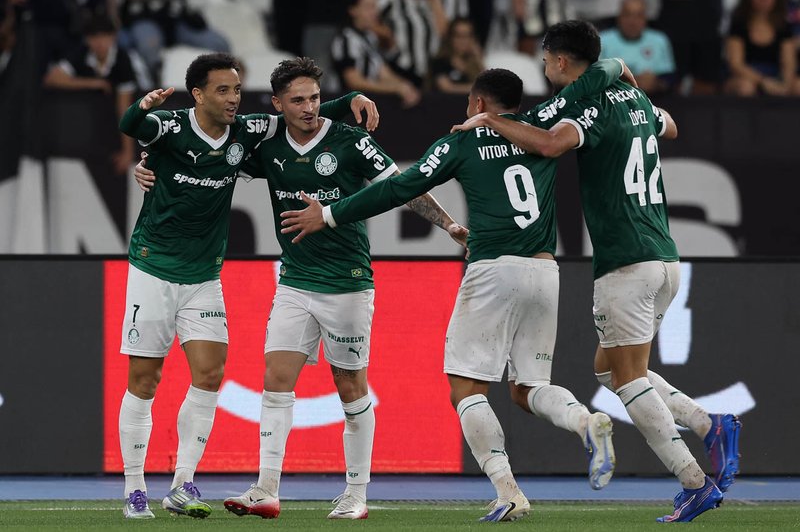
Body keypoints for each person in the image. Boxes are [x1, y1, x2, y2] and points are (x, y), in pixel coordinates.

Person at [279, 59, 634, 521]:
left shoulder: (462, 141)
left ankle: (508, 491)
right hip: (546, 271)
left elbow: (399, 187)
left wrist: (328, 214)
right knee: (530, 387)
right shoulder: (541, 124)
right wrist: (619, 66)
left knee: (465, 389)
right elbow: (591, 80)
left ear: (479, 102)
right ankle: (585, 421)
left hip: (493, 269)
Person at [134, 56, 466, 520]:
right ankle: (266, 489)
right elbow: (204, 152)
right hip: (294, 281)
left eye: (314, 98)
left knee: (350, 386)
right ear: (277, 104)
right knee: (276, 381)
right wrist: (148, 164)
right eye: (298, 100)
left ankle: (356, 493)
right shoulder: (266, 144)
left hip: (347, 282)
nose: (309, 108)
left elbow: (404, 185)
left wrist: (449, 225)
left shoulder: (351, 141)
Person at [449, 20, 742, 523]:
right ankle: (704, 421)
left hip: (625, 261)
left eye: (546, 61)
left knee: (626, 382)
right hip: (665, 257)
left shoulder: (591, 106)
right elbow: (671, 127)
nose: (545, 70)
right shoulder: (635, 99)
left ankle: (694, 479)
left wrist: (492, 122)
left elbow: (549, 144)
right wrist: (626, 81)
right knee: (608, 368)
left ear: (562, 61)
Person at [117, 52, 380, 520]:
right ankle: (135, 487)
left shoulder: (247, 130)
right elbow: (132, 125)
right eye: (223, 90)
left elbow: (302, 109)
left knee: (210, 374)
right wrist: (141, 109)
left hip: (205, 276)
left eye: (237, 89)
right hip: (153, 267)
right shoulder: (172, 127)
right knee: (145, 379)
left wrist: (349, 100)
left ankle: (182, 483)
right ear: (198, 94)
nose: (233, 98)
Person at [44, 14, 144, 174]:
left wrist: (127, 151)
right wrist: (93, 83)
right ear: (87, 39)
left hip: (118, 130)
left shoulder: (123, 60)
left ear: (113, 37)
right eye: (94, 37)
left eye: (104, 36)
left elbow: (125, 107)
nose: (99, 43)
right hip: (86, 130)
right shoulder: (81, 53)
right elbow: (52, 78)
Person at [331, 0, 422, 108]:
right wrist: (395, 88)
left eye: (375, 7)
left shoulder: (371, 37)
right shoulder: (345, 39)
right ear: (353, 10)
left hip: (369, 104)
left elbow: (383, 72)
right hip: (348, 108)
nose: (374, 12)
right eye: (368, 7)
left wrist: (405, 86)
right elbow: (354, 82)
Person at [724, 0, 800, 96]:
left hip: (776, 75)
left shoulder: (784, 26)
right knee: (746, 86)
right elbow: (736, 64)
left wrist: (785, 84)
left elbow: (789, 62)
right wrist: (763, 82)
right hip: (747, 76)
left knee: (798, 86)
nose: (763, 0)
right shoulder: (738, 25)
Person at [599, 0, 676, 95]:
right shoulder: (602, 40)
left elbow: (669, 77)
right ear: (619, 17)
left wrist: (657, 83)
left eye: (639, 16)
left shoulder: (659, 40)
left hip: (653, 98)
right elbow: (594, 77)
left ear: (646, 18)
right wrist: (630, 81)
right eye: (627, 15)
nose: (632, 22)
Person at [430, 17, 484, 94]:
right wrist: (477, 88)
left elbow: (487, 85)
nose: (463, 40)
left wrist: (478, 58)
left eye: (467, 36)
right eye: (458, 36)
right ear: (451, 38)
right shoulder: (440, 62)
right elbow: (446, 87)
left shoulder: (474, 62)